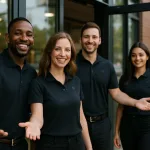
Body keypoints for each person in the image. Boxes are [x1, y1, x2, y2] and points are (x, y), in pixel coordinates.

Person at [76, 22, 150, 150]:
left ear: (100, 40)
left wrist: (135, 102)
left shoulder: (107, 65)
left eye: (94, 37)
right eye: (86, 37)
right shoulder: (72, 65)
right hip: (77, 124)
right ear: (81, 39)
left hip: (102, 125)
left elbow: (116, 93)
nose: (90, 40)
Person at [19, 32, 93, 150]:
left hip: (76, 143)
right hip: (50, 145)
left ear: (71, 54)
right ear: (50, 52)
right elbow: (37, 116)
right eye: (57, 49)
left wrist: (89, 147)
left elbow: (81, 117)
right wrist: (34, 125)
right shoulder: (38, 83)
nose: (63, 54)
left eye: (67, 50)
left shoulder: (76, 81)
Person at [0, 17, 36, 150]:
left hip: (21, 145)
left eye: (29, 35)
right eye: (18, 33)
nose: (24, 38)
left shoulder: (32, 73)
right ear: (7, 38)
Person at [114, 42, 150, 150]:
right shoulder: (125, 78)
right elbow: (121, 107)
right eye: (133, 55)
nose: (137, 58)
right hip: (127, 127)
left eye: (141, 55)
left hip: (147, 127)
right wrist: (116, 132)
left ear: (147, 57)